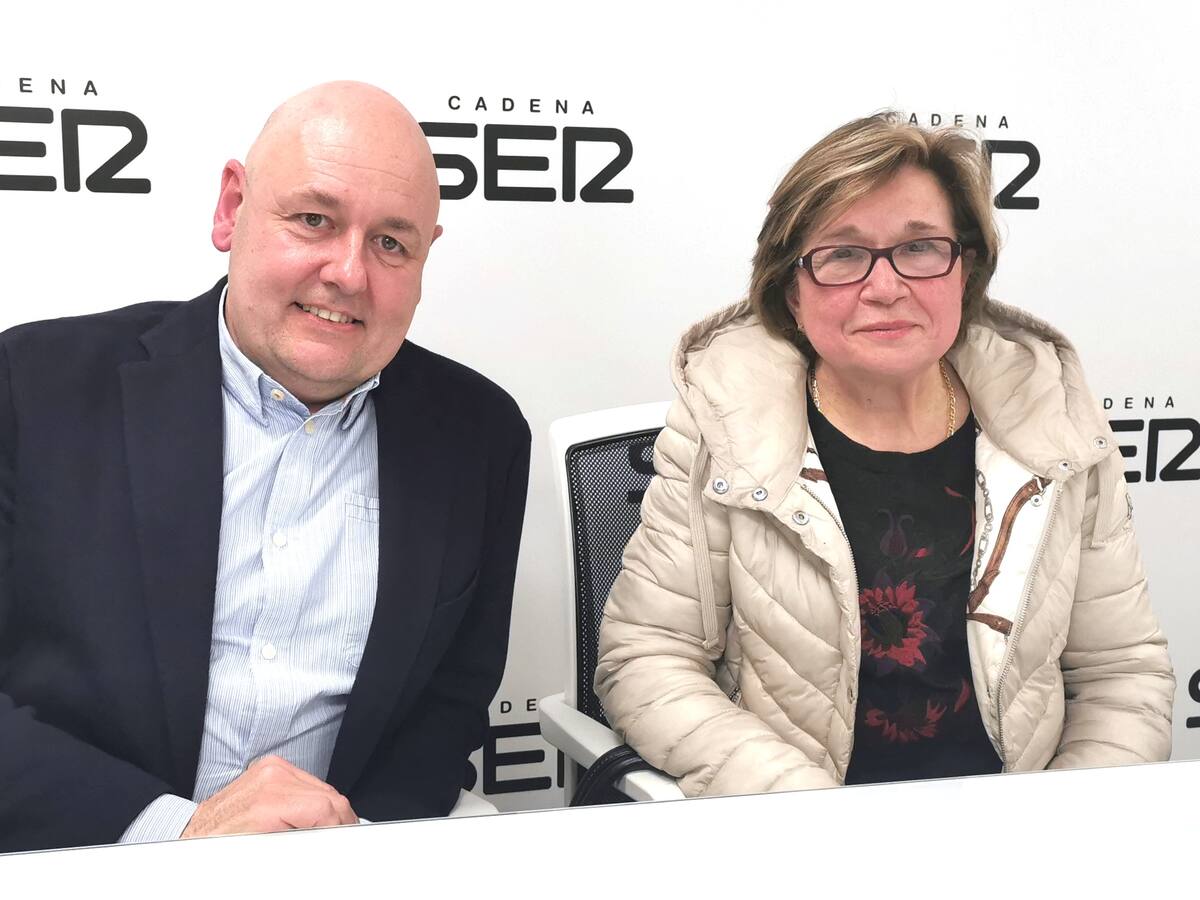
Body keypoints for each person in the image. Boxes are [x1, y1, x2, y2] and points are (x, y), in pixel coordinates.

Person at [0, 81, 531, 852]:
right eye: (314, 220)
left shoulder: (480, 435)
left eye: (391, 243)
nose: (349, 273)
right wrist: (179, 833)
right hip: (80, 859)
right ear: (232, 208)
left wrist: (355, 849)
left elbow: (449, 703)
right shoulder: (33, 386)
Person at [594, 112, 1174, 797]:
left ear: (966, 271)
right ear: (791, 291)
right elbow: (647, 658)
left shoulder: (1057, 420)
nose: (885, 286)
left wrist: (1064, 824)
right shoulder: (722, 425)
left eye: (920, 247)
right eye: (842, 254)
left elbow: (1120, 673)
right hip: (798, 823)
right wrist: (802, 808)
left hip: (1021, 827)